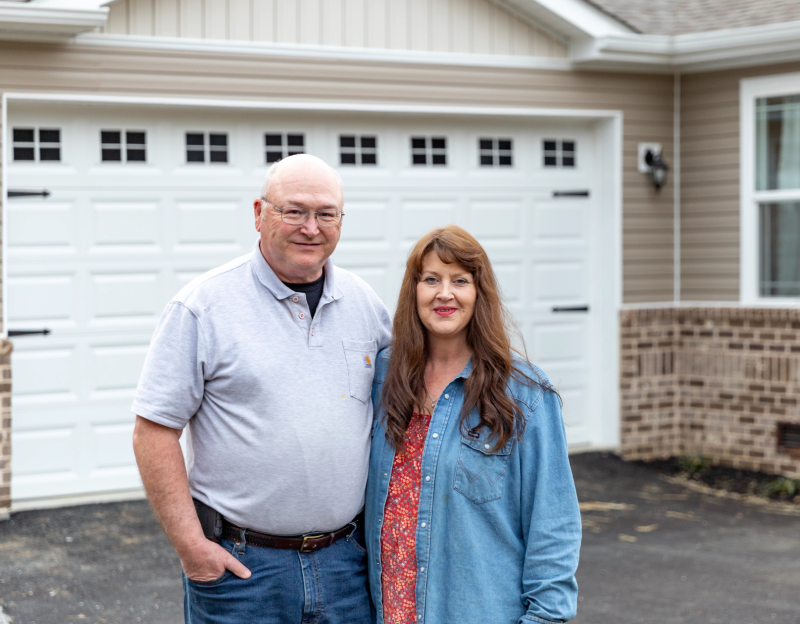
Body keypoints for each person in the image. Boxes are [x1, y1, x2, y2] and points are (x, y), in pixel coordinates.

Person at [132, 154, 392, 624]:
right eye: (293, 211)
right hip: (243, 571)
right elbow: (153, 431)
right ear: (259, 213)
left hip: (346, 568)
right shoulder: (203, 307)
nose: (311, 227)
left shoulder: (365, 305)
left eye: (326, 213)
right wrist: (193, 549)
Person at [365, 225, 581, 624]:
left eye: (459, 280)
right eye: (431, 279)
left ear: (478, 294)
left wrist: (546, 618)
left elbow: (553, 527)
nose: (444, 293)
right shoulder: (384, 378)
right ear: (414, 291)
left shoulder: (525, 394)